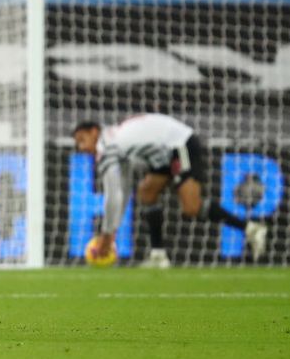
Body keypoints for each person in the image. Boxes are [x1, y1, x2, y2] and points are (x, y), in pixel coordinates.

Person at [74, 114, 269, 267]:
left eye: (82, 140)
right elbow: (123, 190)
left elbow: (114, 195)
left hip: (179, 144)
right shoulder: (116, 140)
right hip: (163, 152)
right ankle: (158, 256)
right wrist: (112, 231)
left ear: (94, 131)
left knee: (191, 207)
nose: (81, 148)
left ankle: (251, 229)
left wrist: (107, 236)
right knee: (146, 192)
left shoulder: (107, 146)